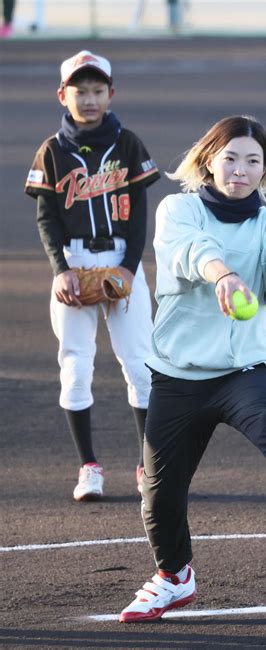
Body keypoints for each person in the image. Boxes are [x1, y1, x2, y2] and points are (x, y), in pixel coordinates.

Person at [119, 115, 266, 623]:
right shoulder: (177, 208)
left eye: (253, 161)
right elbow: (189, 253)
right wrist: (223, 275)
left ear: (265, 173)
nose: (241, 170)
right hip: (179, 374)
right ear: (208, 160)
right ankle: (174, 578)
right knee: (159, 492)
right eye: (231, 158)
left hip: (244, 367)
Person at [24, 51, 160, 501]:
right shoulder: (52, 150)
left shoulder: (128, 145)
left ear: (111, 94)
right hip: (74, 262)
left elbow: (140, 214)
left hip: (123, 259)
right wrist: (61, 272)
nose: (89, 99)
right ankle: (89, 467)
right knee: (76, 367)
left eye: (98, 90)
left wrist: (129, 266)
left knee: (141, 364)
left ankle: (149, 466)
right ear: (63, 95)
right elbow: (47, 219)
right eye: (80, 91)